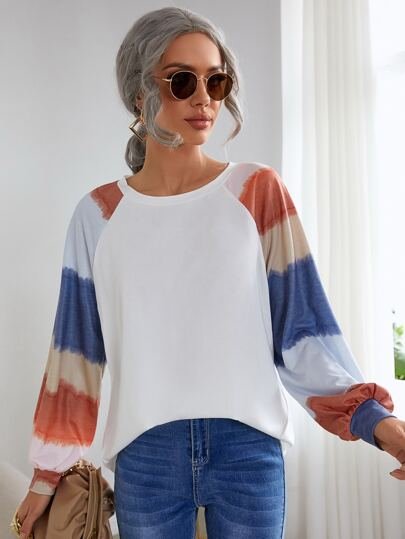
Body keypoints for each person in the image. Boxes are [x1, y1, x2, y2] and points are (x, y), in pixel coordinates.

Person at [14, 6, 405, 539]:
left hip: (248, 451)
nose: (204, 98)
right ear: (140, 95)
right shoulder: (99, 215)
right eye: (182, 81)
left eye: (216, 81)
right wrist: (46, 477)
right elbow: (75, 357)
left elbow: (304, 335)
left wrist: (379, 424)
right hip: (146, 456)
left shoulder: (256, 191)